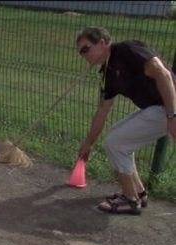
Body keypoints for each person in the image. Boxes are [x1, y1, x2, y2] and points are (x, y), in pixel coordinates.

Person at [75, 26, 176, 215]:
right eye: (80, 52)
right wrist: (88, 144)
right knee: (119, 138)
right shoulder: (107, 74)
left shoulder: (127, 50)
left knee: (116, 141)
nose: (83, 55)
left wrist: (172, 115)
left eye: (85, 49)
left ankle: (130, 200)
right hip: (157, 109)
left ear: (103, 43)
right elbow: (102, 111)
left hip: (168, 105)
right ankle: (138, 192)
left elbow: (163, 75)